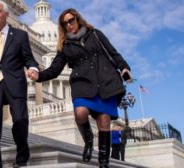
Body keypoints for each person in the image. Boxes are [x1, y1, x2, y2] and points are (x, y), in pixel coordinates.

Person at [29, 8, 132, 168]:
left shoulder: (95, 34)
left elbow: (113, 52)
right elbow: (55, 69)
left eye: (71, 21)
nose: (69, 25)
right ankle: (89, 141)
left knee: (104, 120)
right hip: (82, 82)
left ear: (78, 19)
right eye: (65, 23)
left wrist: (124, 67)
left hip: (104, 80)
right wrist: (39, 76)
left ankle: (103, 162)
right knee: (80, 113)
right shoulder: (64, 46)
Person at [0, 1, 39, 167]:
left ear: (6, 15)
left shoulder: (20, 35)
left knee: (19, 120)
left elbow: (28, 58)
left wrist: (33, 68)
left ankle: (22, 158)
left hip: (14, 83)